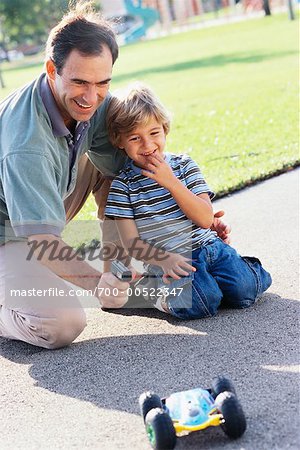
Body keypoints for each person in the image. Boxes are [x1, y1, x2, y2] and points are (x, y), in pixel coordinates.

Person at [0, 2, 230, 350]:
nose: (91, 98)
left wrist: (191, 222)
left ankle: (120, 274)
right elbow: (41, 241)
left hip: (43, 203)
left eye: (102, 82)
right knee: (61, 324)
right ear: (52, 69)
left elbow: (134, 169)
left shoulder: (92, 103)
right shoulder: (27, 144)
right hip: (10, 234)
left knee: (117, 162)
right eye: (79, 82)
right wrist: (96, 283)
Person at [105, 83, 272, 319]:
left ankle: (225, 274)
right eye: (135, 138)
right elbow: (132, 243)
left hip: (209, 248)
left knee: (246, 291)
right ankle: (151, 290)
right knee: (202, 303)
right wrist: (164, 259)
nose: (148, 145)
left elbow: (205, 219)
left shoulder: (184, 166)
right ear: (119, 141)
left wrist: (171, 182)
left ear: (165, 129)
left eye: (154, 133)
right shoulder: (123, 186)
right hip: (170, 261)